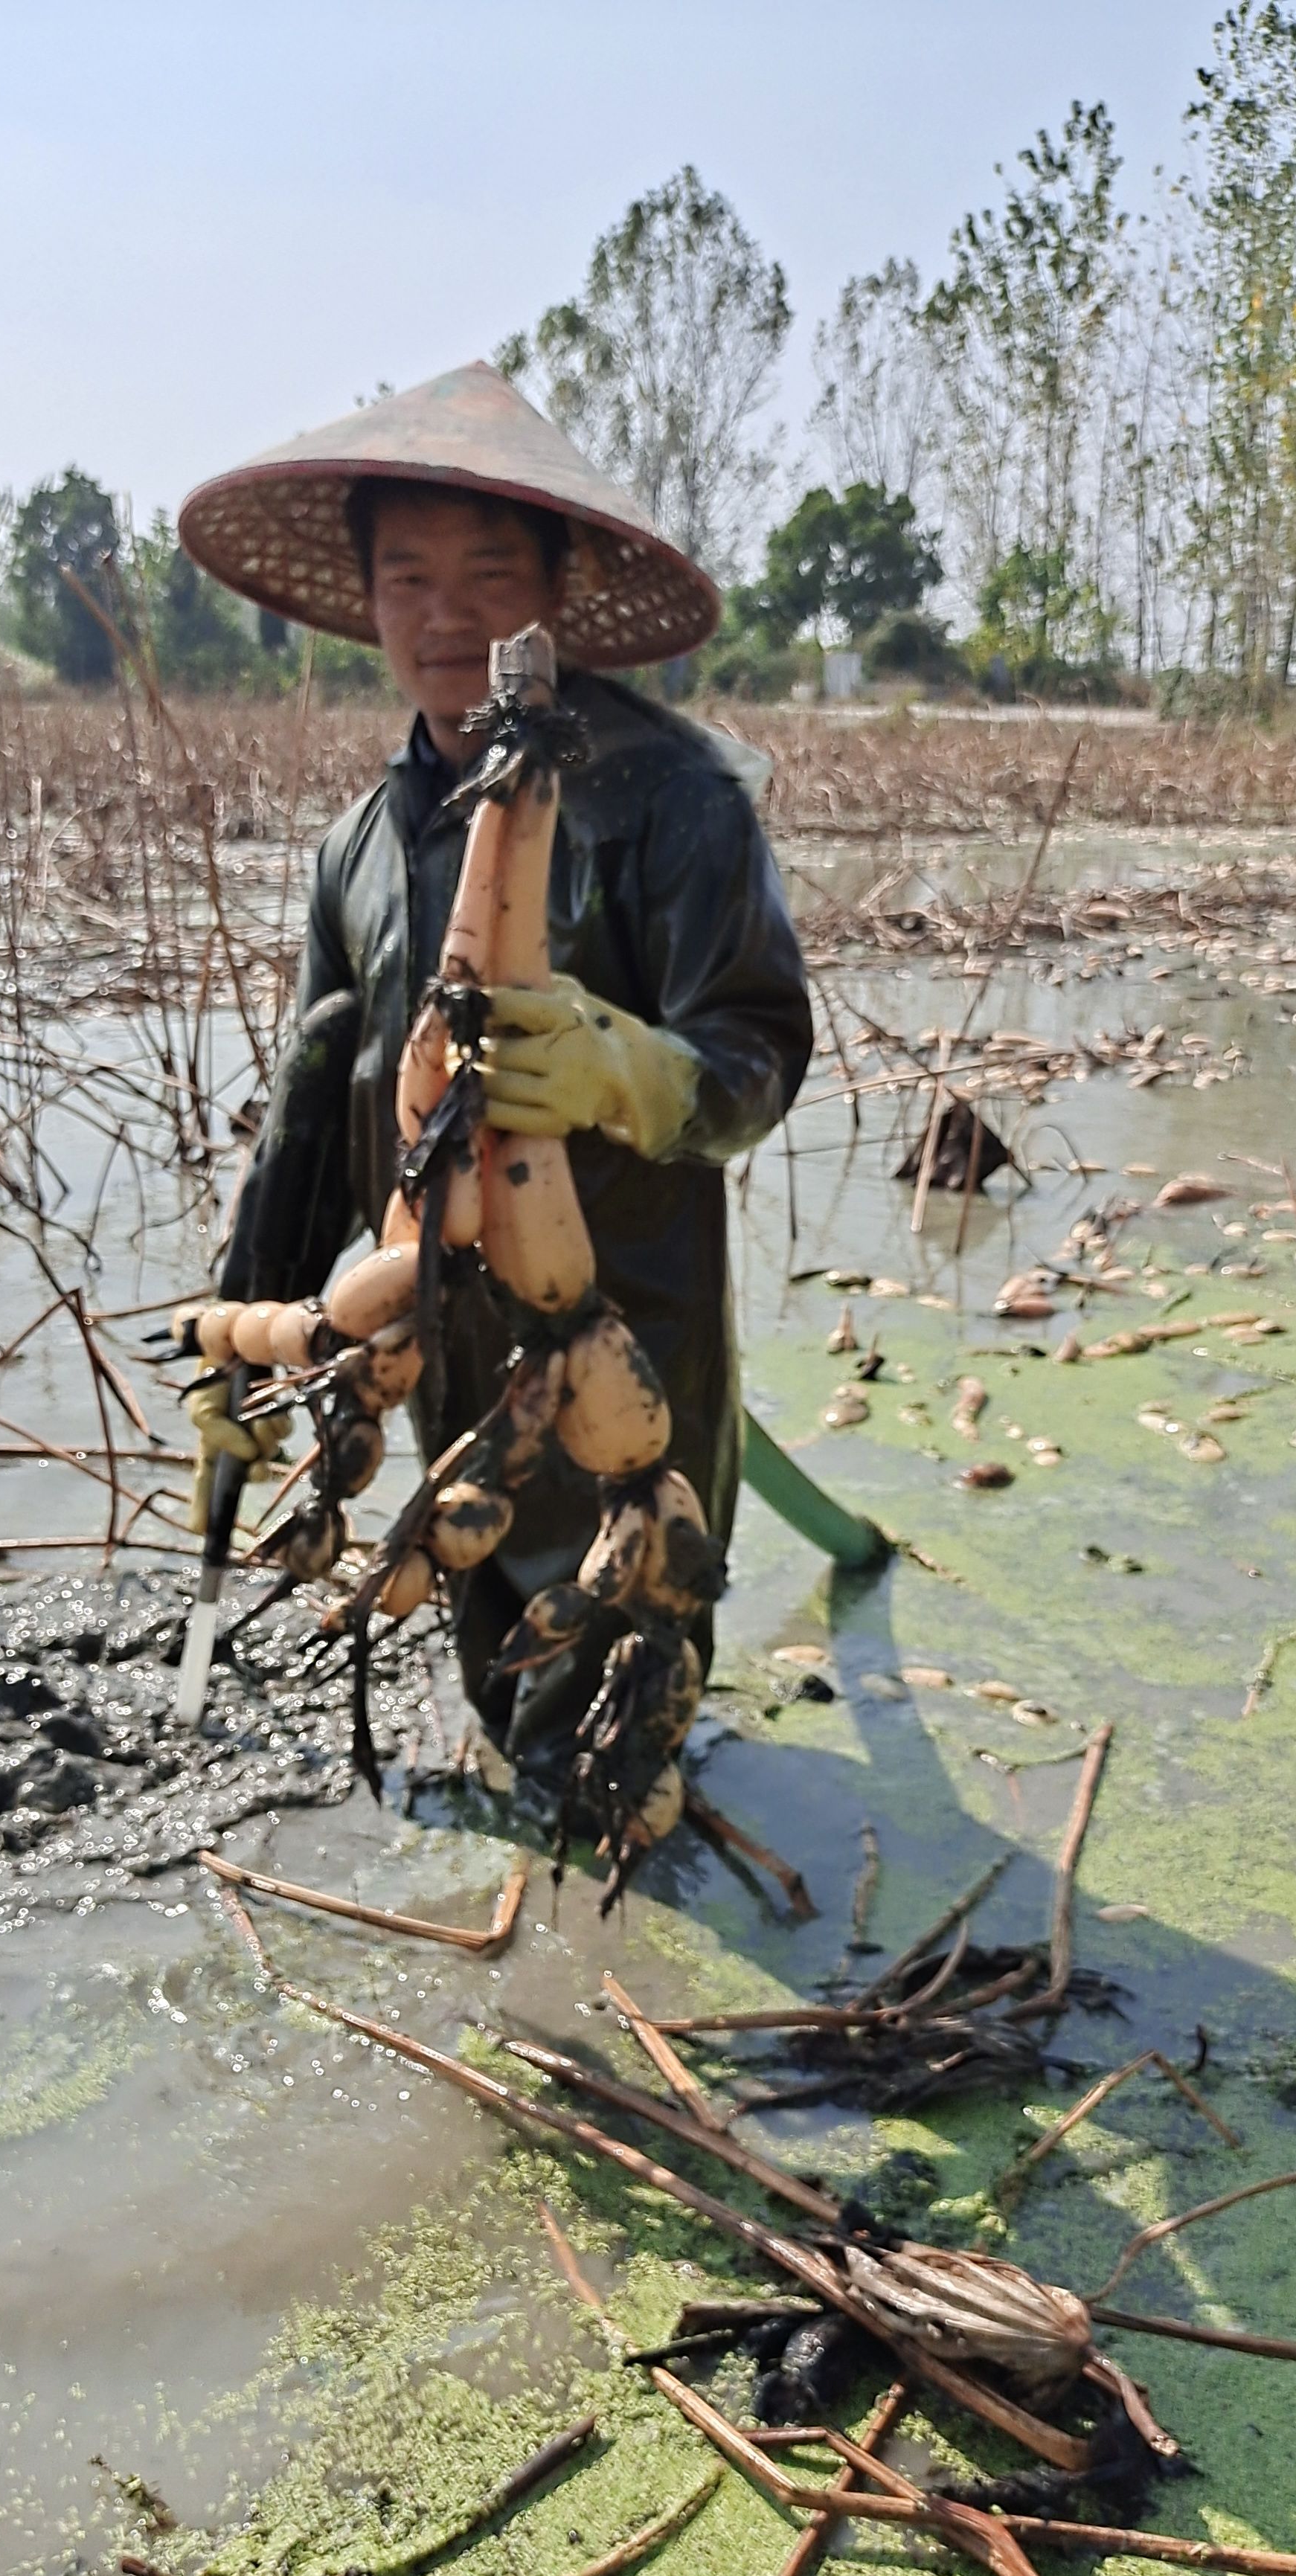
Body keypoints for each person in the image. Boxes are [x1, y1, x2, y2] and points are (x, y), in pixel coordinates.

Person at [177, 361, 812, 1787]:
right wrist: (247, 1326)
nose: (443, 616)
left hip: (622, 1332)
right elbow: (310, 1099)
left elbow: (756, 1057)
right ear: (367, 602)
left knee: (621, 1695)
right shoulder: (361, 840)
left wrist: (617, 1069)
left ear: (560, 585)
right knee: (484, 1649)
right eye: (406, 580)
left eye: (484, 574)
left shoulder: (676, 802)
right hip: (431, 1333)